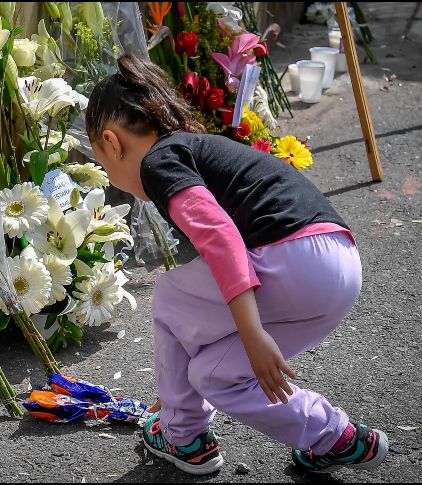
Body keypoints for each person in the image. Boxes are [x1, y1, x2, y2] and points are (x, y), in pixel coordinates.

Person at [84, 54, 389, 476]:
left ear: (112, 143)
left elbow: (221, 238)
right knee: (214, 373)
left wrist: (251, 331)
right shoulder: (193, 149)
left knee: (170, 296)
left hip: (291, 256)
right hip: (339, 267)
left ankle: (183, 434)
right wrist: (177, 390)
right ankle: (335, 438)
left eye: (102, 161)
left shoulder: (160, 161)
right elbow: (209, 289)